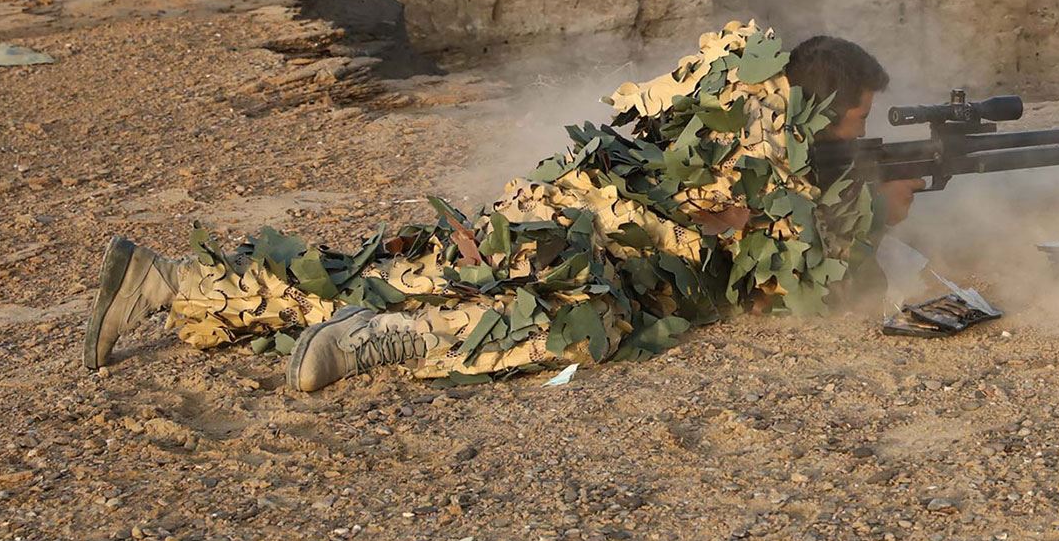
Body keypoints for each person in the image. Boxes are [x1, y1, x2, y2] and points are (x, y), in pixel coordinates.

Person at [84, 21, 925, 392]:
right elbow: (801, 292)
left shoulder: (724, 110)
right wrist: (877, 219)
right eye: (858, 118)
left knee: (389, 270)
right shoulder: (768, 154)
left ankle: (172, 284)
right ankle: (394, 340)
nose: (862, 133)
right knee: (578, 328)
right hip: (589, 256)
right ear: (820, 109)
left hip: (541, 208)